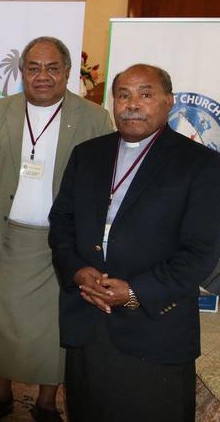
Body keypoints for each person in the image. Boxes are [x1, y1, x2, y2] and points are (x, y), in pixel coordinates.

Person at [49, 64, 220, 422]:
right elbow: (61, 222)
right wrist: (78, 271)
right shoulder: (88, 154)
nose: (132, 104)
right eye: (123, 95)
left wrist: (135, 291)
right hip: (89, 316)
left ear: (169, 102)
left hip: (155, 327)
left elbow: (202, 251)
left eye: (146, 94)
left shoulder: (202, 165)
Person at [0, 37, 113, 421]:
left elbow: (102, 176)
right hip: (10, 238)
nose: (42, 76)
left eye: (51, 68)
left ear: (66, 72)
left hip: (65, 245)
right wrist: (2, 191)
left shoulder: (95, 117)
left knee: (54, 328)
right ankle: (1, 395)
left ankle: (46, 403)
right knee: (1, 322)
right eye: (33, 68)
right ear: (22, 73)